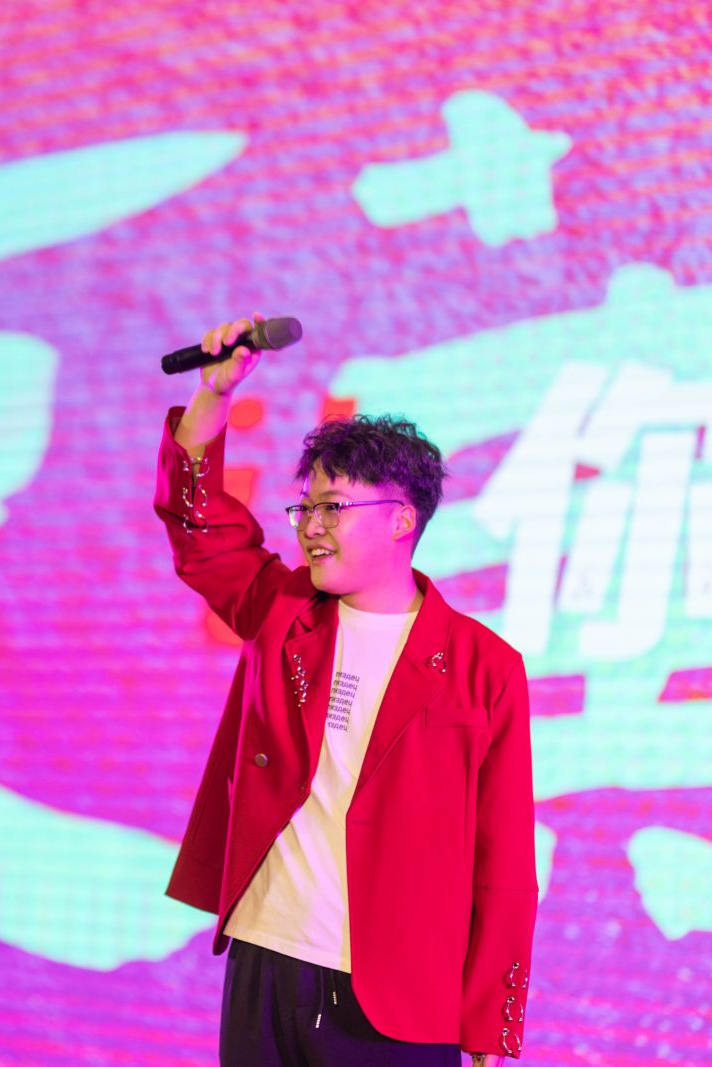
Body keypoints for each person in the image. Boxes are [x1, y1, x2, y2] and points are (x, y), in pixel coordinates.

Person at [156, 315, 538, 1066]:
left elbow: (503, 861)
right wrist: (214, 395)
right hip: (266, 956)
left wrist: (492, 1024)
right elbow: (199, 529)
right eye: (306, 507)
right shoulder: (283, 612)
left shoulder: (483, 666)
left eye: (334, 507)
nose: (311, 527)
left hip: (397, 995)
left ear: (401, 519)